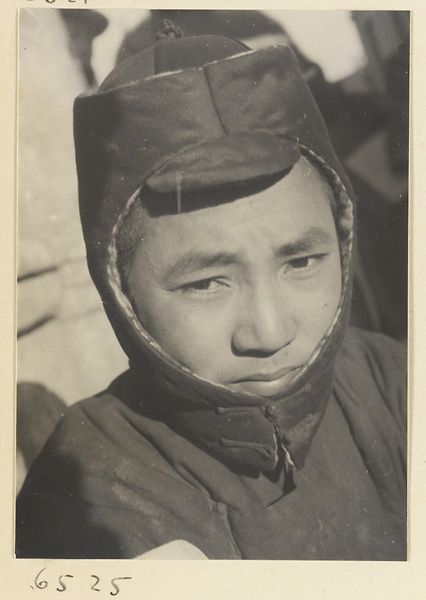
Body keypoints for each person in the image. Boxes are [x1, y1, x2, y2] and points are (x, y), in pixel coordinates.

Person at [16, 24, 406, 560]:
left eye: (301, 261)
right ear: (121, 293)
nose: (269, 333)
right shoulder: (90, 497)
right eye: (205, 283)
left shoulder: (393, 380)